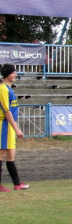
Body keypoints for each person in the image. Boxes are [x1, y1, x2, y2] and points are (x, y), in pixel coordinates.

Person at [0, 64, 28, 192]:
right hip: (4, 125)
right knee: (1, 154)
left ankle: (17, 184)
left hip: (9, 125)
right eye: (13, 73)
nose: (15, 75)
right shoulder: (3, 89)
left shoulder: (8, 88)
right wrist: (17, 129)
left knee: (11, 154)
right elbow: (7, 111)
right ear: (7, 74)